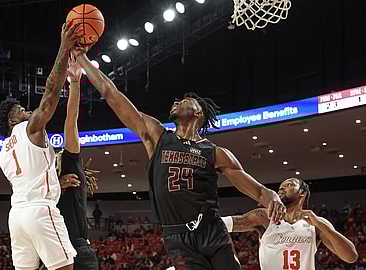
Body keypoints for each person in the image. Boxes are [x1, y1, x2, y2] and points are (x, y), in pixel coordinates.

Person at [72, 49, 286, 269]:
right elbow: (111, 93)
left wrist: (272, 198)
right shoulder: (157, 137)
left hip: (211, 230)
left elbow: (258, 191)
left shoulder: (215, 152)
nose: (176, 101)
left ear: (198, 113)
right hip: (177, 236)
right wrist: (82, 59)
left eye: (184, 100)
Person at [0, 21, 81, 270]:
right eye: (21, 110)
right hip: (40, 212)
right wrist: (64, 48)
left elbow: (25, 181)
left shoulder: (2, 152)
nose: (28, 111)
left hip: (17, 216)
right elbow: (51, 93)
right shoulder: (28, 128)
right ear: (12, 120)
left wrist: (54, 181)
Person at [221, 178, 359, 269]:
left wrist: (321, 225)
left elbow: (351, 256)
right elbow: (228, 223)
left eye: (289, 184)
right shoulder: (264, 216)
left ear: (302, 193)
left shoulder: (316, 224)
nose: (281, 188)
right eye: (280, 186)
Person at [55, 55, 99, 270]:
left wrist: (74, 83)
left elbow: (71, 120)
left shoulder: (69, 164)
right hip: (52, 249)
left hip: (76, 249)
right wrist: (54, 186)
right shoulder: (44, 186)